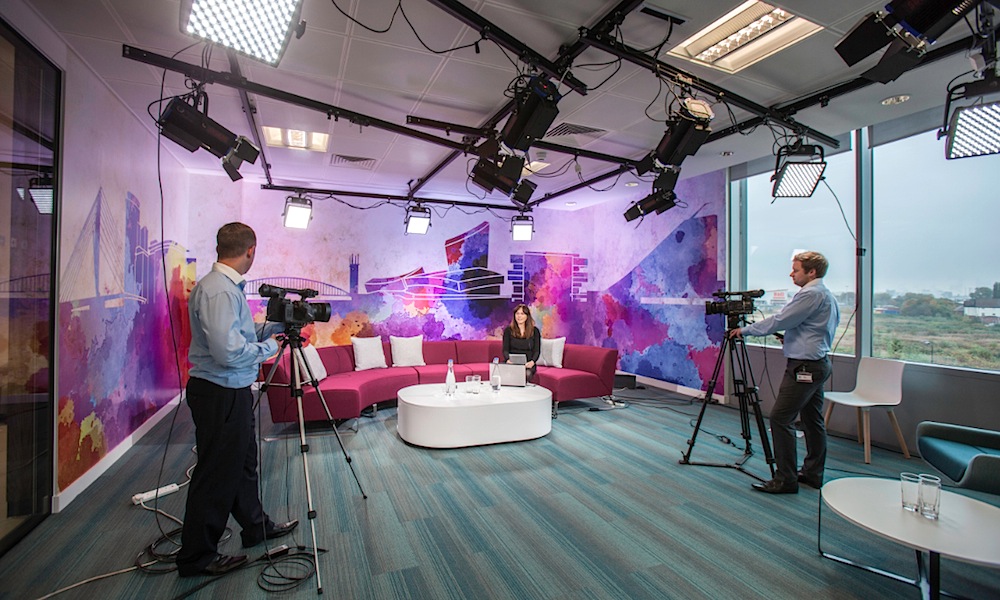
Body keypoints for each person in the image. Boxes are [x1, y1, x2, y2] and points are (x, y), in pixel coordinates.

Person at [177, 223, 299, 577]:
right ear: (250, 250)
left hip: (232, 391)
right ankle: (197, 557)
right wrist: (270, 347)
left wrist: (274, 329)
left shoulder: (225, 288)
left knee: (243, 465)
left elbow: (238, 334)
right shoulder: (219, 291)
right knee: (216, 474)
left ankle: (255, 526)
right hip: (220, 392)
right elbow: (229, 352)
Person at [729, 251, 840, 495]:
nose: (791, 274)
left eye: (796, 270)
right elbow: (814, 329)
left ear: (812, 272)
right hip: (817, 363)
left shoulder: (811, 294)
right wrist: (792, 338)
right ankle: (812, 473)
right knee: (812, 421)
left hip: (804, 367)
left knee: (780, 419)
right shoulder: (827, 295)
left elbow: (780, 320)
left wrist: (745, 331)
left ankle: (785, 479)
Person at [502, 303, 541, 380]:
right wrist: (508, 359)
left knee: (526, 374)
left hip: (528, 363)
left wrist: (532, 362)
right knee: (502, 373)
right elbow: (505, 350)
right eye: (517, 313)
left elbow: (537, 351)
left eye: (522, 314)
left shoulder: (535, 331)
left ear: (527, 316)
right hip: (512, 362)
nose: (519, 316)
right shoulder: (508, 330)